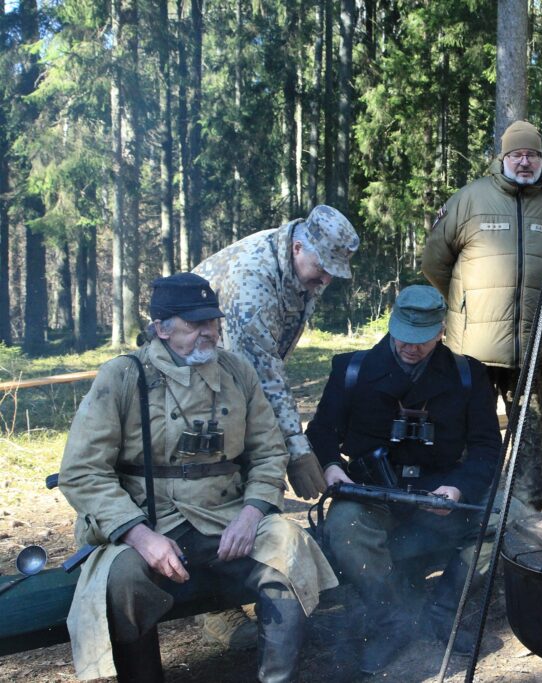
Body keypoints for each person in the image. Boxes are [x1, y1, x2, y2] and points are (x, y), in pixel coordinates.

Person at [58, 273, 337, 682]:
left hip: (224, 515)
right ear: (162, 328)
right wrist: (139, 536)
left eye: (212, 321)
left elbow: (267, 451)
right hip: (149, 520)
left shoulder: (237, 371)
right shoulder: (122, 377)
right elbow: (82, 471)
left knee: (288, 547)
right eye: (195, 324)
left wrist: (252, 513)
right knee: (122, 580)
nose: (209, 333)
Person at [306, 285, 501, 674]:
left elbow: (486, 448)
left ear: (441, 331)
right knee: (345, 525)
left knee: (500, 521)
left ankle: (443, 613)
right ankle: (392, 617)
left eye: (422, 341)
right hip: (373, 492)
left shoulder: (469, 375)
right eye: (404, 338)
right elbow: (321, 431)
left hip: (440, 491)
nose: (411, 348)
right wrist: (330, 465)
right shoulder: (352, 369)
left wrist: (457, 487)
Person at [193, 205, 358, 646]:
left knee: (252, 479)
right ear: (298, 244)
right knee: (218, 480)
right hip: (191, 375)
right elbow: (263, 378)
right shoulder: (253, 281)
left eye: (331, 273)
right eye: (322, 269)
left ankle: (257, 582)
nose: (325, 281)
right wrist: (297, 448)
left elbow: (267, 369)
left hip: (234, 376)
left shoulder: (300, 267)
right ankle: (216, 608)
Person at [422, 120, 542, 512]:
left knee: (529, 437)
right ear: (503, 157)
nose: (524, 162)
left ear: (541, 159)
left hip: (534, 348)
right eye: (516, 154)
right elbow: (434, 262)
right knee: (463, 432)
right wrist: (465, 304)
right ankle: (459, 513)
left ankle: (525, 518)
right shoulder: (469, 200)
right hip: (471, 348)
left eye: (531, 154)